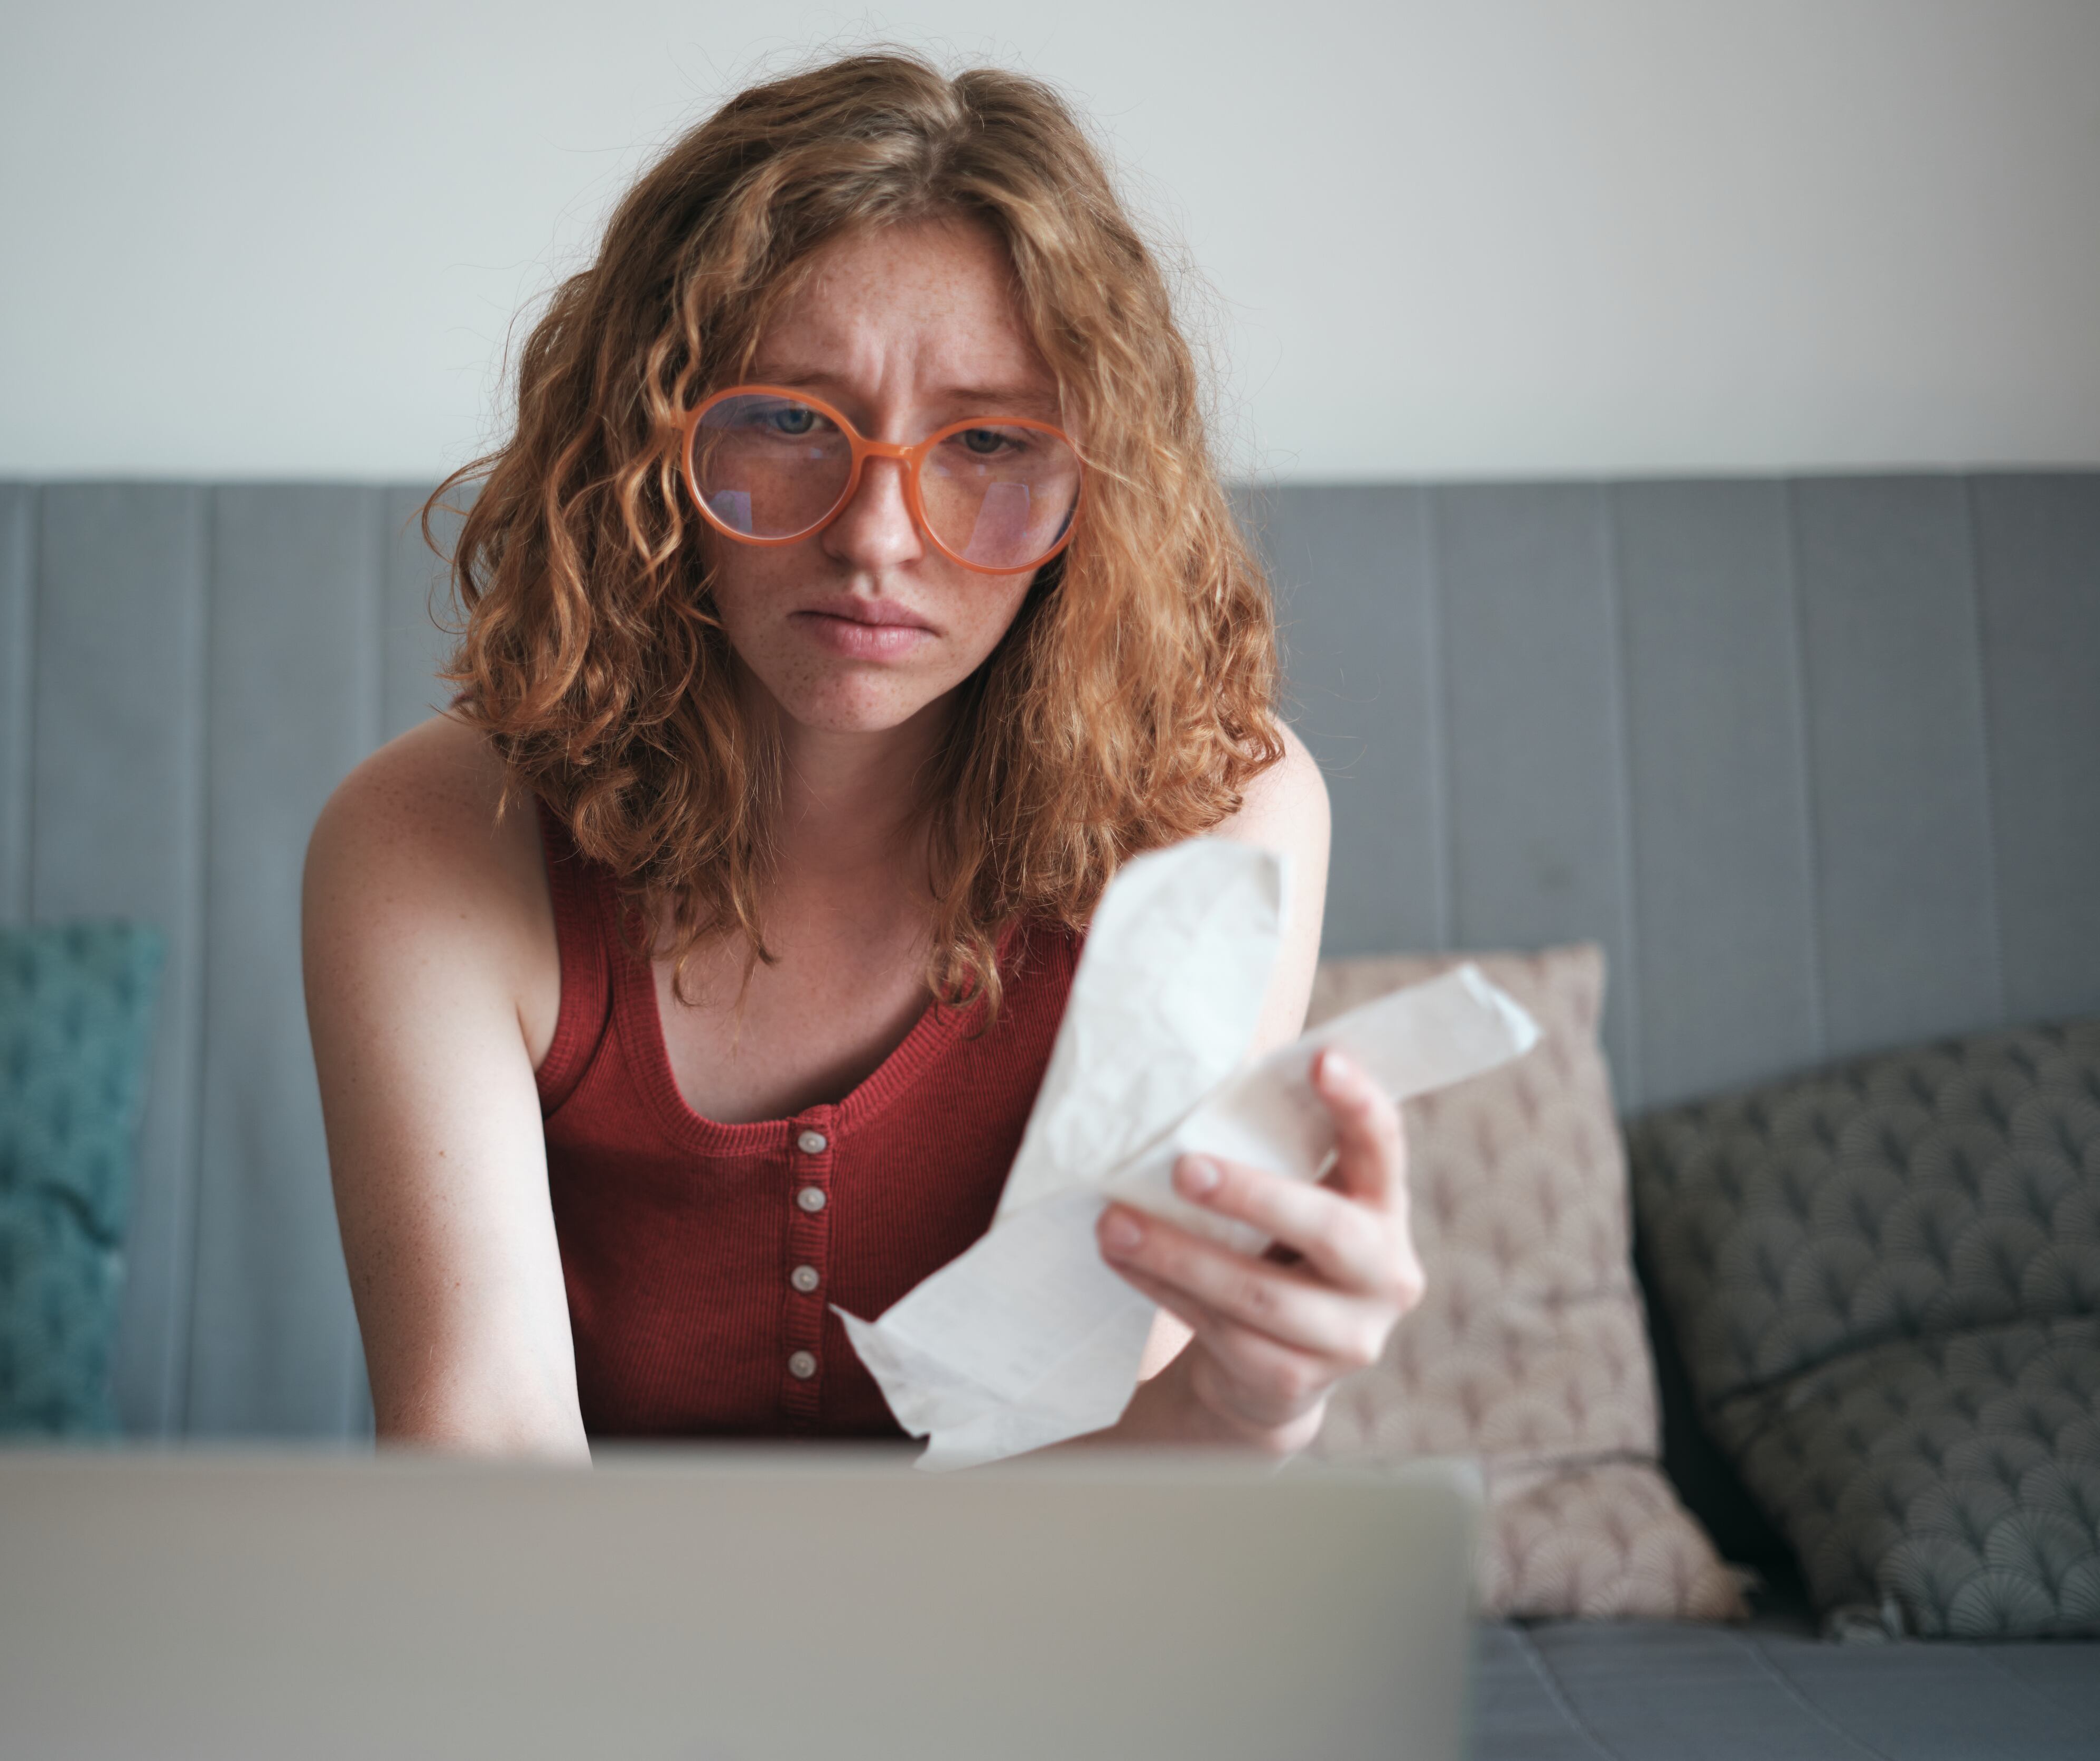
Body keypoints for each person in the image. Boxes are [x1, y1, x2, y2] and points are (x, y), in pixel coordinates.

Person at [302, 50, 1423, 1462]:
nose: (877, 538)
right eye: (786, 420)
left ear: (1100, 492)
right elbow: (485, 1450)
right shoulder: (433, 842)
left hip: (1036, 1652)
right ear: (644, 450)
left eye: (989, 440)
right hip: (581, 1645)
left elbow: (1111, 1478)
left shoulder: (1215, 814)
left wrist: (1250, 1398)